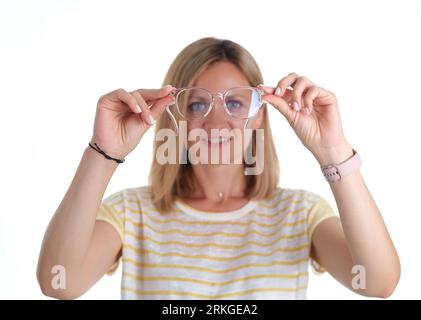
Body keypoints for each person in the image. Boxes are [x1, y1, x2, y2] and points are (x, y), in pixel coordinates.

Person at [37, 37, 400, 299]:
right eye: (196, 105)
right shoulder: (134, 214)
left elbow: (377, 282)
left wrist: (333, 150)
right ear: (174, 115)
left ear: (260, 116)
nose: (216, 122)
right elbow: (59, 282)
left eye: (235, 103)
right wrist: (103, 153)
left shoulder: (298, 214)